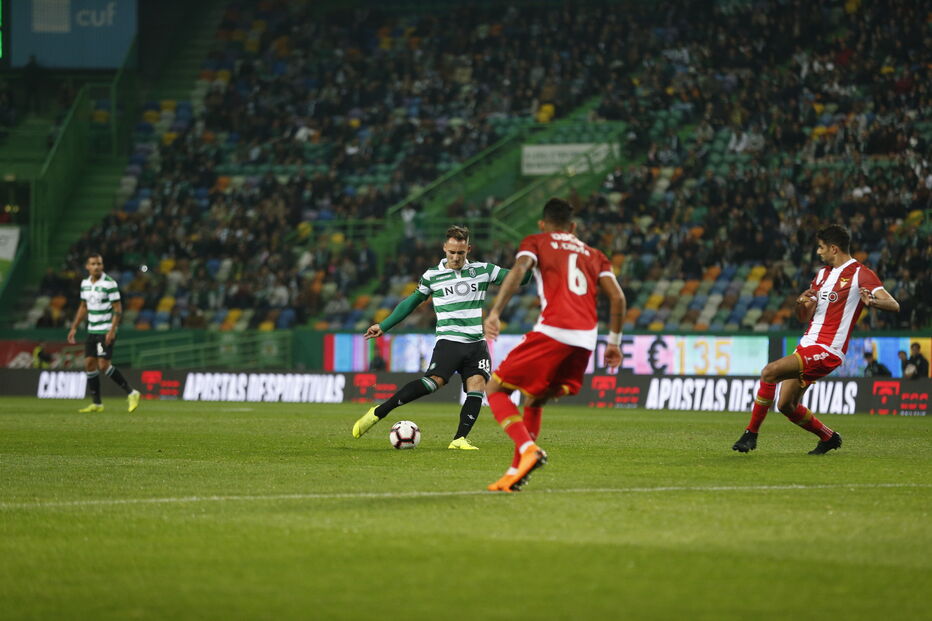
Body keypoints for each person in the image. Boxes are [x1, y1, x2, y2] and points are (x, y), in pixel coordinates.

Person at [483, 198, 626, 492]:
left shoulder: (536, 241)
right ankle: (514, 473)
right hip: (586, 341)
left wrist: (495, 312)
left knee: (495, 388)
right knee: (535, 398)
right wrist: (613, 343)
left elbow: (519, 270)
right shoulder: (595, 254)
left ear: (542, 224)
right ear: (573, 227)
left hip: (553, 331)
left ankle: (528, 449)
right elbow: (619, 298)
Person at [352, 225, 531, 449]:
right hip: (449, 341)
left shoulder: (484, 270)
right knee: (434, 382)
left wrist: (530, 264)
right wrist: (384, 325)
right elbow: (411, 303)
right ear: (444, 248)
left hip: (476, 343)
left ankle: (459, 439)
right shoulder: (432, 276)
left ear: (468, 249)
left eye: (461, 253)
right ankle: (379, 411)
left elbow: (519, 279)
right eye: (452, 252)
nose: (456, 257)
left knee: (477, 385)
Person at [732, 225, 899, 455]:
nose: (819, 252)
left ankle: (751, 434)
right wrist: (801, 303)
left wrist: (873, 303)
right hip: (807, 345)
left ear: (833, 248)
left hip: (829, 349)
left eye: (821, 248)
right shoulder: (822, 275)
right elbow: (805, 315)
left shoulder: (861, 273)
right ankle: (829, 437)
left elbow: (893, 304)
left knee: (769, 372)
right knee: (786, 406)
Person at [67, 253, 141, 413]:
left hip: (105, 329)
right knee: (89, 364)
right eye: (93, 264)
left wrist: (112, 330)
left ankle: (132, 392)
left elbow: (118, 309)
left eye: (99, 264)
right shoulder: (85, 283)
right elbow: (83, 307)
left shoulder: (109, 284)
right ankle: (97, 403)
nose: (96, 267)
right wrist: (74, 327)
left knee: (103, 364)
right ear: (87, 266)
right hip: (92, 330)